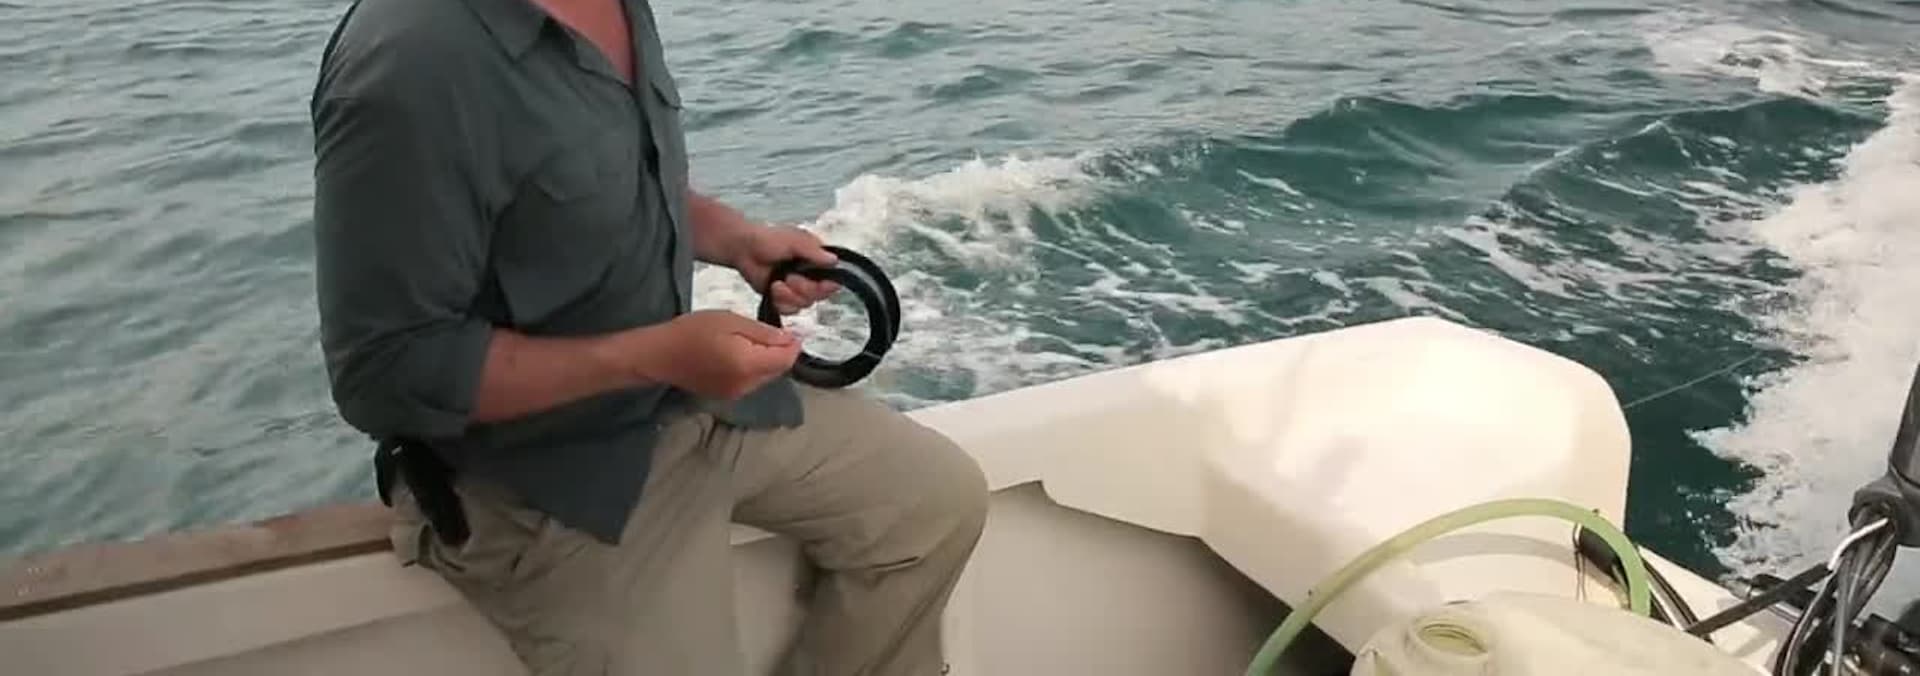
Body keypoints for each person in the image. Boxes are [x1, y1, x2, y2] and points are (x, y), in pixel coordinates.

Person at [305, 0, 991, 673]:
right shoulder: (410, 57)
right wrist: (659, 357)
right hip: (538, 491)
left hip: (684, 406)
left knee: (933, 508)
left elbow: (606, 176)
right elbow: (384, 372)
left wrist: (737, 241)